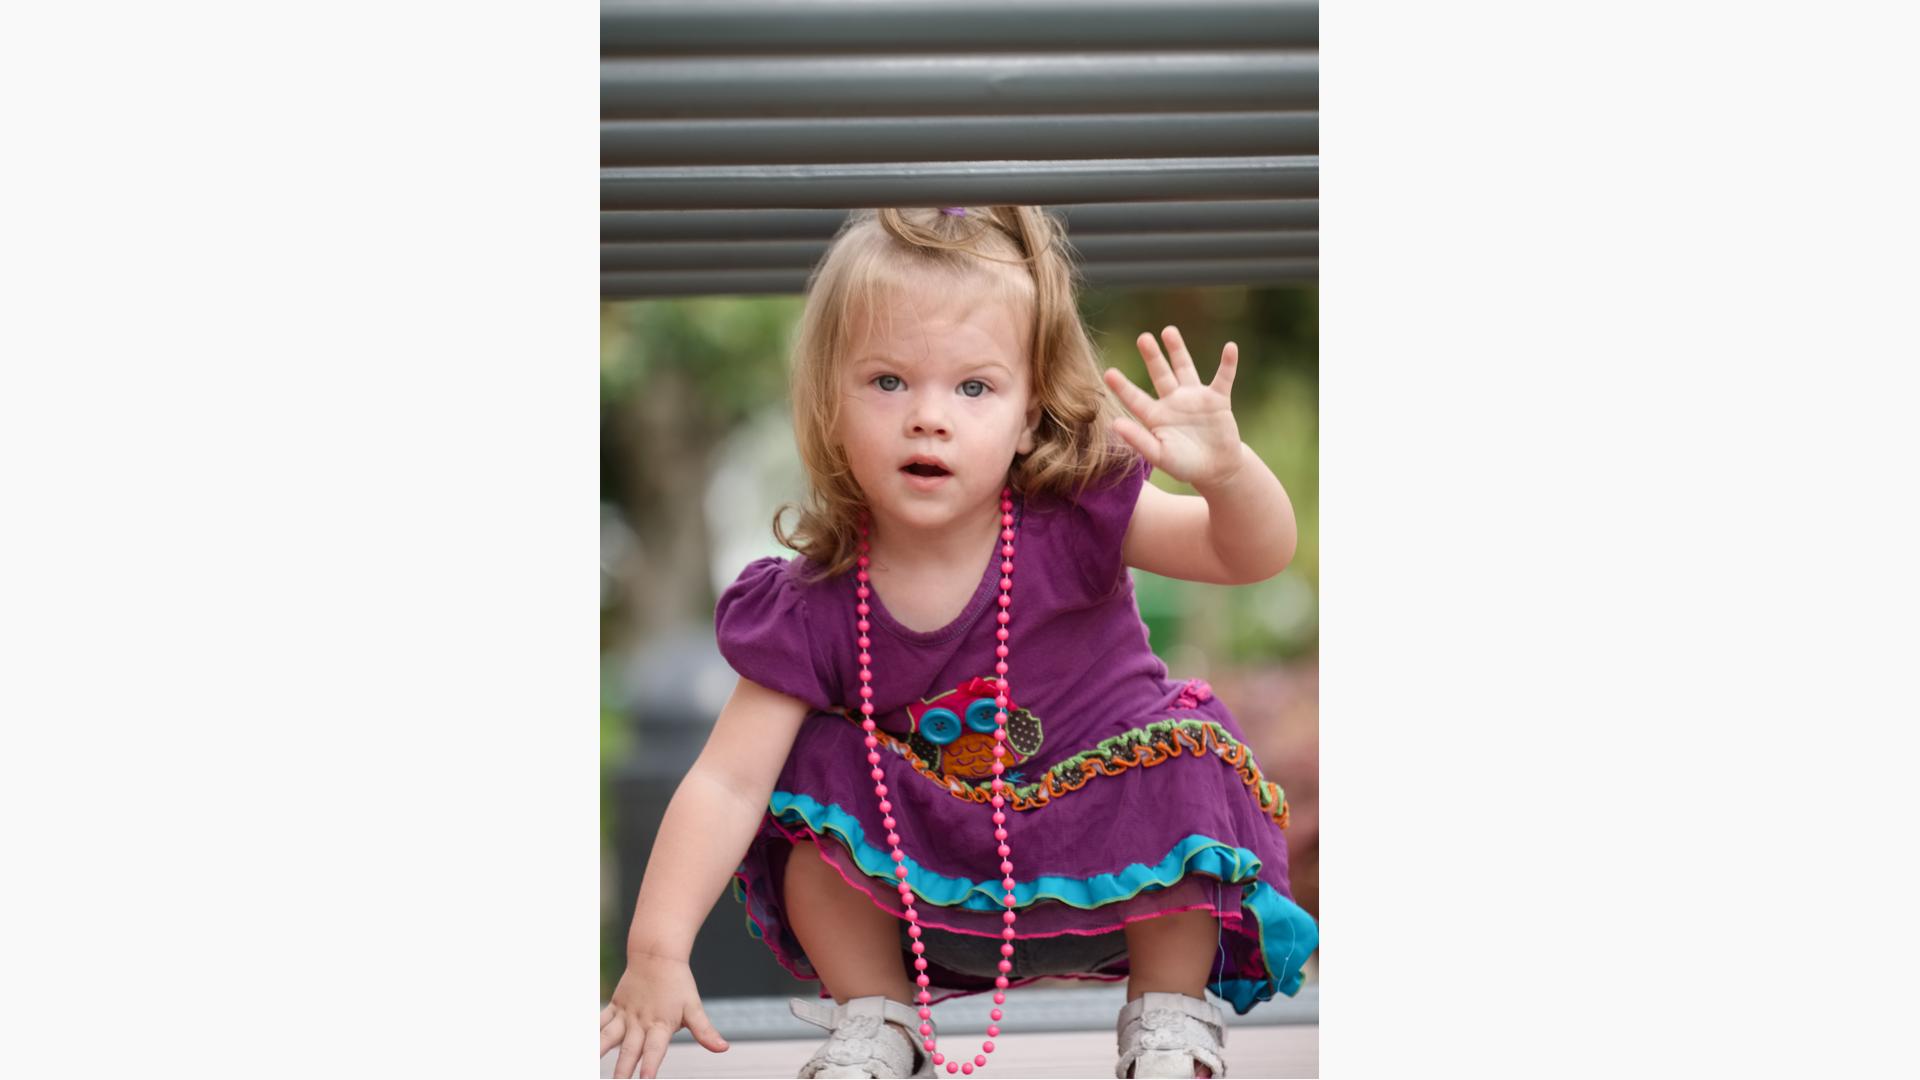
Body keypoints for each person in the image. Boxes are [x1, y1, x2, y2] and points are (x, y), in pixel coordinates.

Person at [600, 206, 1318, 1080]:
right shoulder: (813, 603)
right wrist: (656, 950)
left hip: (1107, 843)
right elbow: (724, 781)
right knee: (809, 770)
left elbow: (1247, 553)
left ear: (1028, 417)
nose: (928, 417)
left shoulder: (1076, 515)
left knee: (1186, 758)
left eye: (974, 388)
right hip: (930, 874)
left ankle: (1168, 1024)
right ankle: (878, 1021)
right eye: (888, 382)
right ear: (830, 405)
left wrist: (1229, 475)